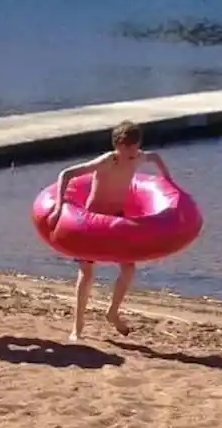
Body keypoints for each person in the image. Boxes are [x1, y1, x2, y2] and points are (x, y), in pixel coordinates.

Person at [45, 120, 172, 341]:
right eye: (129, 147)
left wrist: (168, 179)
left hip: (116, 219)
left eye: (136, 146)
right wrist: (58, 208)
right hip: (91, 221)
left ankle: (112, 312)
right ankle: (78, 326)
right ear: (118, 146)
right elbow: (66, 174)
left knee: (129, 268)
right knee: (86, 273)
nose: (134, 152)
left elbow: (155, 157)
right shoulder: (106, 161)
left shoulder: (138, 157)